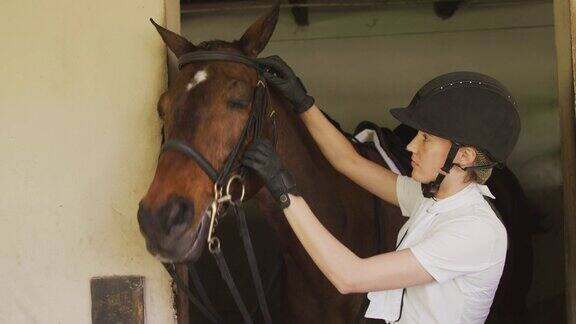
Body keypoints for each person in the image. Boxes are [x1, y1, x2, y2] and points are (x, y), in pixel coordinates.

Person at [241, 55, 521, 324]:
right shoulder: (432, 199)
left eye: (426, 139)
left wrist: (284, 191)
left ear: (465, 157)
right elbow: (348, 161)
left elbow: (349, 276)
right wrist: (302, 101)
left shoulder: (474, 230)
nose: (411, 146)